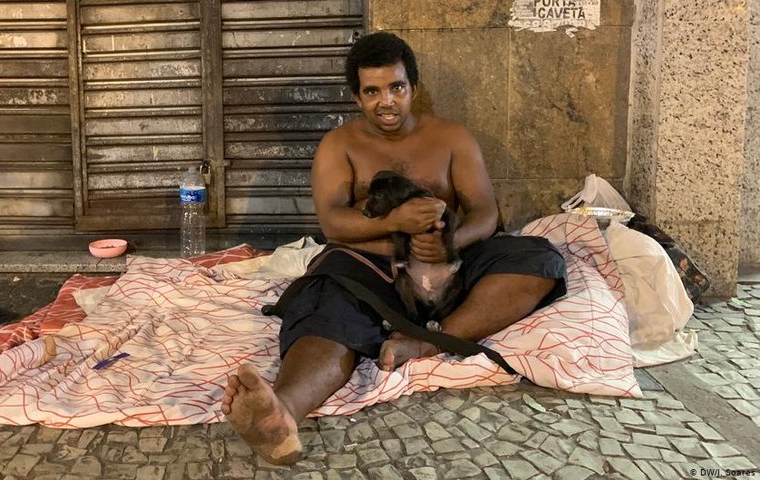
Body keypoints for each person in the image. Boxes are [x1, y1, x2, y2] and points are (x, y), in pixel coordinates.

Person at [221, 31, 567, 465]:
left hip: (448, 265)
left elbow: (485, 212)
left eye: (396, 88)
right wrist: (395, 222)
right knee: (326, 301)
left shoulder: (452, 138)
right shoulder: (340, 145)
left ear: (413, 89)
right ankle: (282, 413)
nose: (386, 102)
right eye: (372, 91)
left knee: (537, 257)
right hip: (370, 267)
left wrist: (448, 244)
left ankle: (425, 344)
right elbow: (333, 223)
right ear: (356, 96)